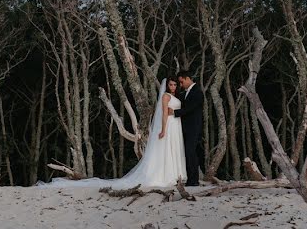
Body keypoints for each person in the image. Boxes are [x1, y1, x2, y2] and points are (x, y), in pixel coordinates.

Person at [42, 77, 186, 188]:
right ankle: (167, 176)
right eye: (171, 84)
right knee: (166, 150)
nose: (173, 87)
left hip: (176, 125)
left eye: (174, 84)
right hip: (169, 126)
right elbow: (164, 114)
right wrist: (163, 129)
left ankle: (176, 174)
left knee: (173, 148)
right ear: (167, 86)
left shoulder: (175, 96)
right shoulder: (166, 96)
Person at [170, 70, 203, 187]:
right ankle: (190, 178)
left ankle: (194, 181)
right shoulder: (186, 93)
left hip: (194, 128)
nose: (180, 85)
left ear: (188, 78)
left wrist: (174, 112)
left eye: (181, 82)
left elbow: (190, 108)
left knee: (191, 152)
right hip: (185, 128)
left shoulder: (197, 92)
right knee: (187, 153)